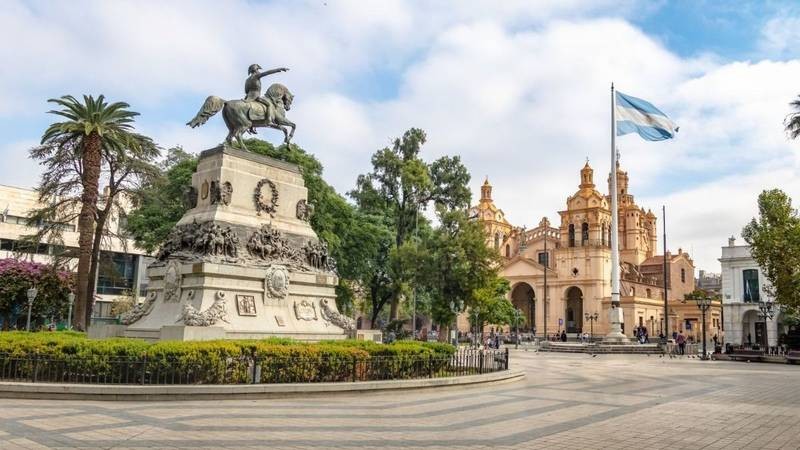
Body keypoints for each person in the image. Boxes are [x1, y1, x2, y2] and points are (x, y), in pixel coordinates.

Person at [243, 64, 289, 133]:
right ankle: (269, 120)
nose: (258, 71)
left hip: (248, 97)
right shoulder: (256, 76)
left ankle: (252, 126)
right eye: (258, 70)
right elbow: (268, 72)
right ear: (255, 70)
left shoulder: (247, 80)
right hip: (256, 96)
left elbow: (246, 90)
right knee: (269, 105)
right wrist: (279, 69)